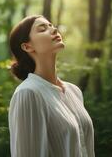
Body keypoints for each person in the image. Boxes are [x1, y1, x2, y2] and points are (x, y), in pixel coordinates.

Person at [8, 15, 95, 157]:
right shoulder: (28, 93)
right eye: (42, 29)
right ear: (27, 46)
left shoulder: (74, 91)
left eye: (51, 26)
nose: (54, 30)